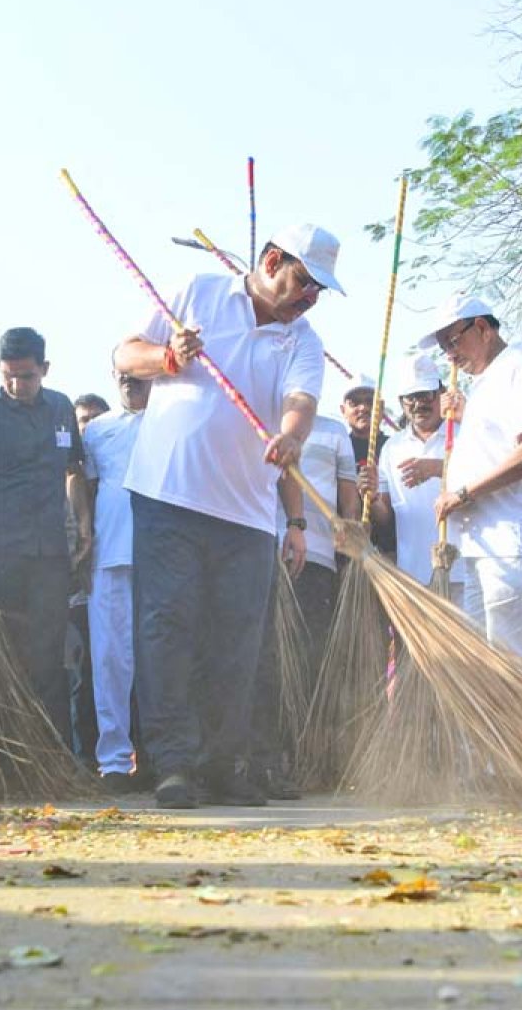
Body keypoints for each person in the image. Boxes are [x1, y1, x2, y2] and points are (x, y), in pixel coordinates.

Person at [114, 223, 344, 809]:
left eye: (318, 290)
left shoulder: (304, 340)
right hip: (169, 496)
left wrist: (291, 439)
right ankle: (173, 765)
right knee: (168, 629)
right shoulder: (198, 291)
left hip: (246, 511)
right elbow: (125, 354)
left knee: (238, 643)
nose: (309, 297)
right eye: (305, 282)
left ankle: (222, 764)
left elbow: (301, 402)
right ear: (272, 261)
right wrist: (169, 356)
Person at [424, 295, 522, 675]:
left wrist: (463, 494)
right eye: (443, 348)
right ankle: (493, 737)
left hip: (510, 539)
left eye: (453, 341)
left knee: (513, 661)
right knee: (485, 668)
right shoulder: (484, 383)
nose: (450, 355)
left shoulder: (517, 366)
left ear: (481, 327)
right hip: (481, 544)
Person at [249, 415, 359, 797]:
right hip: (262, 551)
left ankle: (306, 764)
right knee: (266, 663)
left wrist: (351, 546)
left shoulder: (333, 431)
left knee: (308, 662)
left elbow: (349, 495)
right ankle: (263, 762)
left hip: (317, 561)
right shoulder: (254, 415)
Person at [0, 327, 91, 744]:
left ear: (45, 370)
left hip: (51, 555)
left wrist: (83, 522)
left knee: (48, 657)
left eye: (27, 376)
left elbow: (74, 469)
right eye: (8, 376)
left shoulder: (60, 408)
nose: (17, 385)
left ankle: (54, 758)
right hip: (2, 554)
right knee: (4, 659)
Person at [83, 368, 152, 794]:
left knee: (162, 660)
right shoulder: (97, 431)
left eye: (138, 375)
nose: (130, 381)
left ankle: (161, 756)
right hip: (108, 554)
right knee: (110, 659)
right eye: (123, 375)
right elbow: (83, 491)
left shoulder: (171, 419)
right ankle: (113, 760)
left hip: (162, 555)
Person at [359, 353, 464, 598]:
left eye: (425, 395)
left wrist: (439, 467)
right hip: (412, 574)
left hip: (462, 571)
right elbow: (385, 516)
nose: (419, 405)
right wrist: (372, 497)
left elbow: (483, 477)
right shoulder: (391, 448)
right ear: (401, 401)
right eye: (411, 398)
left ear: (440, 393)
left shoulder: (463, 434)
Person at [65, 392, 111, 768]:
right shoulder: (64, 482)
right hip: (73, 597)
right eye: (83, 420)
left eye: (97, 419)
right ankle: (82, 759)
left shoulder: (114, 481)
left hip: (112, 590)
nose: (90, 426)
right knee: (77, 676)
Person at [340, 375, 396, 557]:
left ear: (380, 408)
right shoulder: (339, 447)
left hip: (389, 553)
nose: (363, 408)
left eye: (369, 402)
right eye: (354, 402)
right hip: (347, 551)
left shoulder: (396, 447)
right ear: (343, 410)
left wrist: (372, 499)